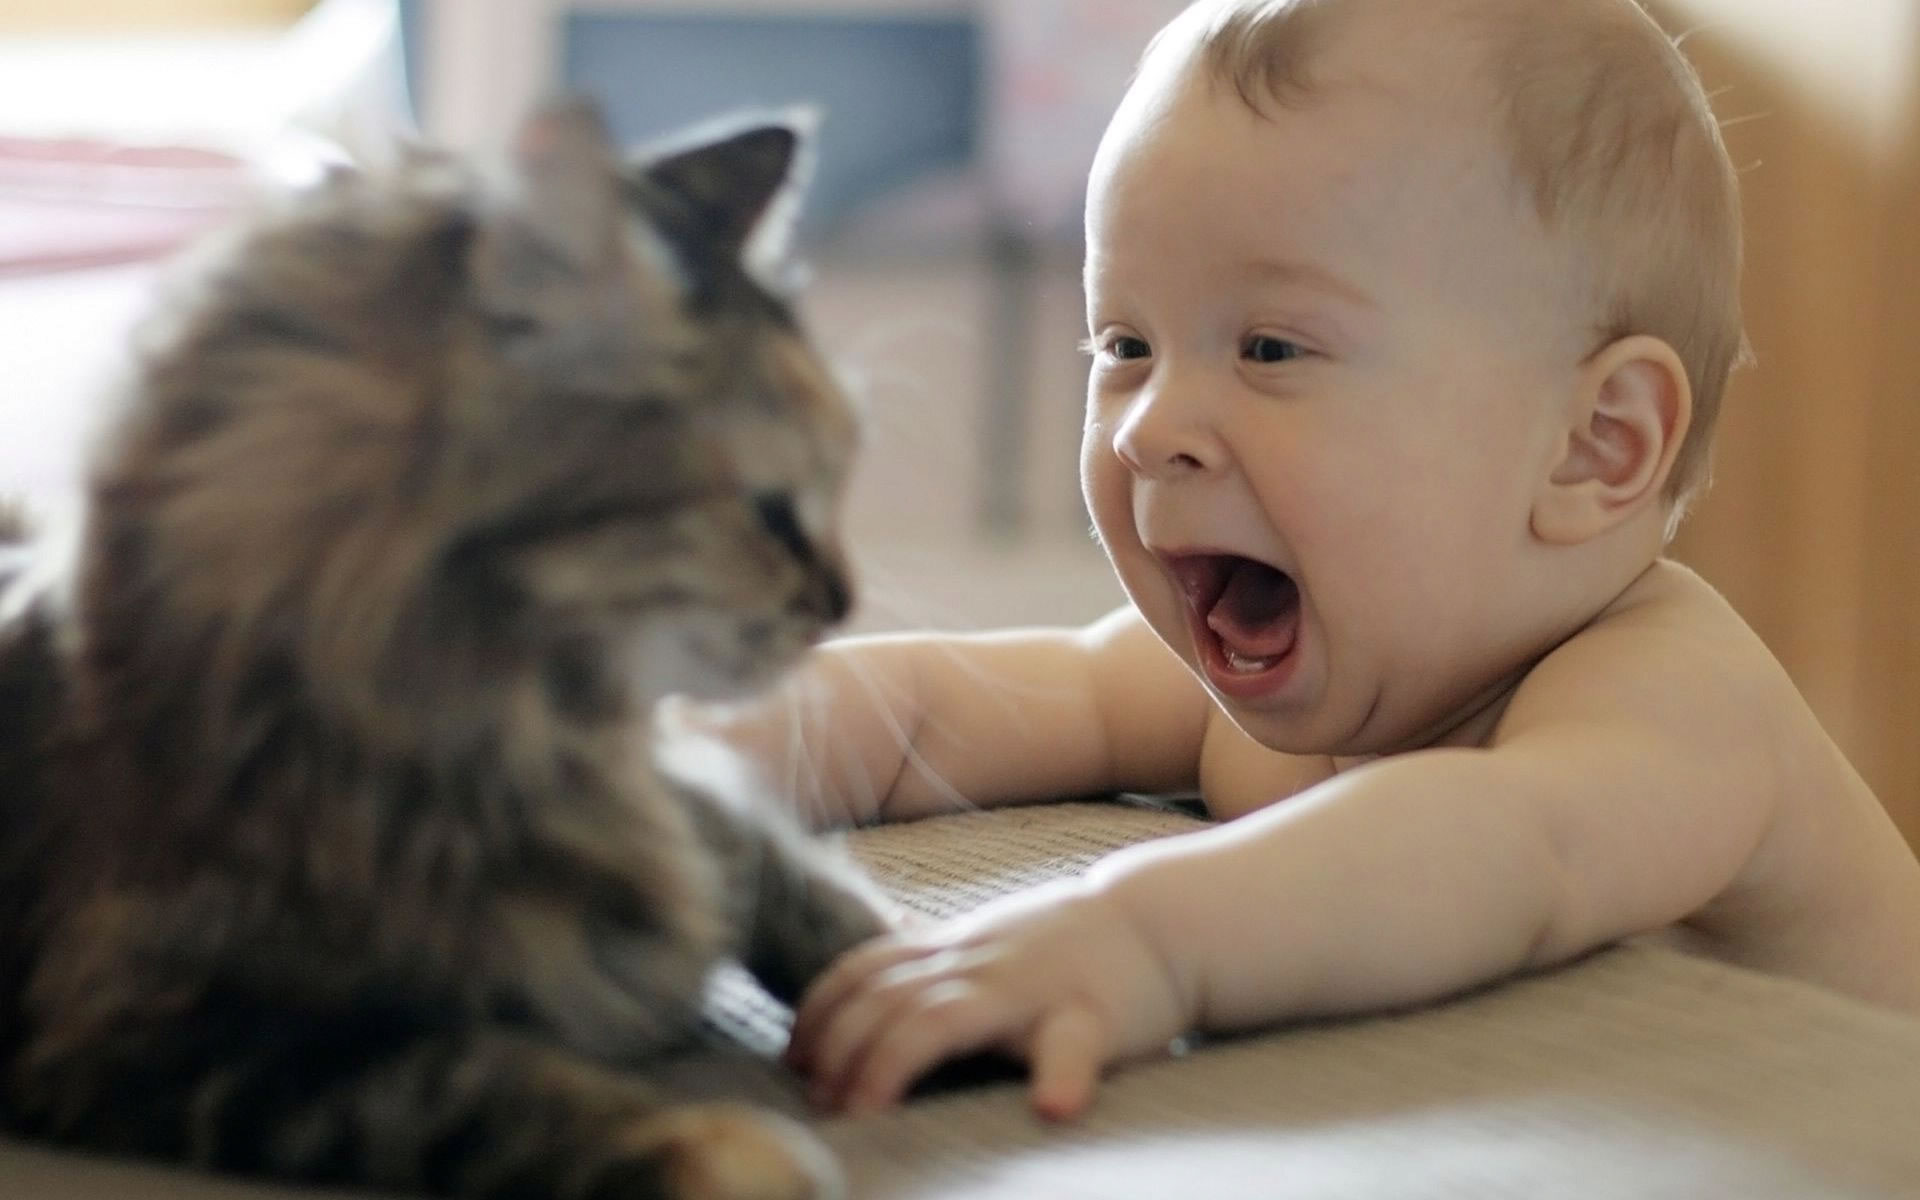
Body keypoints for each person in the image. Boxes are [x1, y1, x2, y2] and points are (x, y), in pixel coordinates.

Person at [681, 0, 1920, 1122]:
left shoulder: (1678, 704)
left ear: (1593, 446)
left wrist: (1141, 941)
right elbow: (938, 712)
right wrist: (685, 767)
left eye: (1270, 349)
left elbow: (1494, 851)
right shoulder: (1274, 681)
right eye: (1124, 341)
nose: (1148, 426)